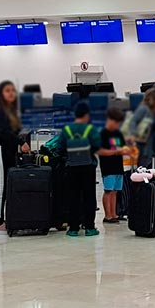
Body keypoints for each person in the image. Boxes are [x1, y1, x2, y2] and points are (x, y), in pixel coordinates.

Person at [0, 80, 30, 234]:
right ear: (1, 94)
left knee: (5, 185)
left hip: (6, 152)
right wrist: (20, 142)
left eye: (13, 90)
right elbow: (3, 133)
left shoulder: (10, 110)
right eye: (7, 91)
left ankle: (5, 217)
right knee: (1, 186)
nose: (11, 93)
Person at [61, 101, 102, 237]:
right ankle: (89, 227)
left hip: (72, 167)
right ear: (86, 115)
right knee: (89, 196)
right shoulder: (90, 129)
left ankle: (73, 228)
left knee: (73, 197)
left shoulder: (67, 129)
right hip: (88, 167)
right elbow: (97, 145)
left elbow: (60, 147)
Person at [97, 107, 130, 224]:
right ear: (109, 120)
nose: (117, 125)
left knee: (115, 191)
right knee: (108, 191)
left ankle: (114, 213)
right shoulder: (103, 134)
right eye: (115, 122)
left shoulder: (118, 133)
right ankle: (107, 215)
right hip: (108, 167)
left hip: (118, 166)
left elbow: (123, 146)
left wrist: (126, 150)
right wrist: (117, 151)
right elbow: (99, 151)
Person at [124, 89, 155, 167]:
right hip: (145, 144)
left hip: (152, 144)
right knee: (145, 165)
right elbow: (133, 121)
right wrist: (133, 134)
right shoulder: (144, 109)